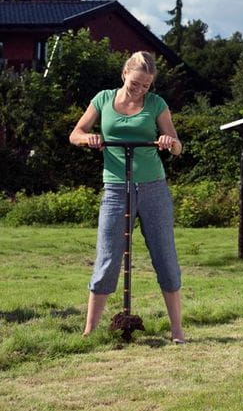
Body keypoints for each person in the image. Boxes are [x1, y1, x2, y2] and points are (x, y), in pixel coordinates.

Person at [69, 51, 185, 344]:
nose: (140, 90)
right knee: (108, 257)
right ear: (124, 74)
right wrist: (88, 138)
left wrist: (168, 142)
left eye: (146, 85)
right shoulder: (103, 99)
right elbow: (75, 133)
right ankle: (89, 332)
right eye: (135, 83)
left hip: (153, 188)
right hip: (116, 188)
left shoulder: (156, 104)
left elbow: (178, 147)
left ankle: (177, 330)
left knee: (164, 256)